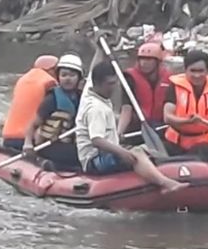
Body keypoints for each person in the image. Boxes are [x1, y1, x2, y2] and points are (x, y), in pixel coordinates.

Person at [77, 61, 184, 194]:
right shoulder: (96, 108)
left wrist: (116, 135)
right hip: (94, 161)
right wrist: (122, 152)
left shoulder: (96, 97)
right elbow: (97, 140)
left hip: (103, 155)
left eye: (115, 82)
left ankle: (156, 174)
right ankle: (165, 183)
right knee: (136, 153)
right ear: (97, 84)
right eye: (109, 84)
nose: (114, 87)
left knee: (145, 149)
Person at [23, 53, 84, 171]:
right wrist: (28, 144)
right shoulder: (51, 99)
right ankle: (47, 164)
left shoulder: (81, 98)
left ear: (79, 78)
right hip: (48, 144)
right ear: (58, 77)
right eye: (64, 75)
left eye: (72, 75)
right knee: (76, 155)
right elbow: (33, 124)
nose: (67, 79)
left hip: (68, 143)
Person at [117, 39, 172, 141]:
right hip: (138, 126)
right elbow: (126, 107)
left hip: (161, 126)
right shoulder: (130, 78)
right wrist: (120, 131)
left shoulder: (169, 79)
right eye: (141, 59)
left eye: (149, 60)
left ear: (157, 62)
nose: (144, 63)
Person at [1, 55, 58, 151]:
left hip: (8, 136)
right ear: (52, 69)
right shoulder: (50, 83)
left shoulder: (22, 80)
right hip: (29, 140)